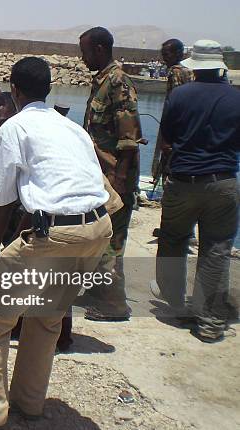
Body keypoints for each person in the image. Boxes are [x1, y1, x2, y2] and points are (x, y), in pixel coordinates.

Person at [0, 57, 112, 427]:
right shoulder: (70, 127)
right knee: (45, 317)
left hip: (57, 232)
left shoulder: (14, 128)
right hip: (98, 229)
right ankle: (29, 402)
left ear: (14, 89)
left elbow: (3, 197)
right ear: (49, 89)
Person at [151, 40, 239, 343]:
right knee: (216, 248)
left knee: (173, 239)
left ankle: (175, 302)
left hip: (182, 180)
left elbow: (167, 140)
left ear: (195, 67)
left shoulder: (179, 95)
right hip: (223, 182)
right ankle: (211, 322)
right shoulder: (235, 98)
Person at [79, 26, 142, 321]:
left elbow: (128, 140)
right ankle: (99, 289)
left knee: (112, 240)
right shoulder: (101, 81)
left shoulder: (118, 82)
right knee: (98, 236)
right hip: (101, 174)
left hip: (115, 177)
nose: (82, 58)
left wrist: (119, 181)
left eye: (85, 51)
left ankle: (115, 305)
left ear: (100, 50)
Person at [151, 38, 194, 178]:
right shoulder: (189, 72)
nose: (164, 59)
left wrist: (167, 134)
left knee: (168, 166)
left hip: (175, 129)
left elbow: (175, 103)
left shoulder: (174, 72)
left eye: (167, 55)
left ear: (177, 54)